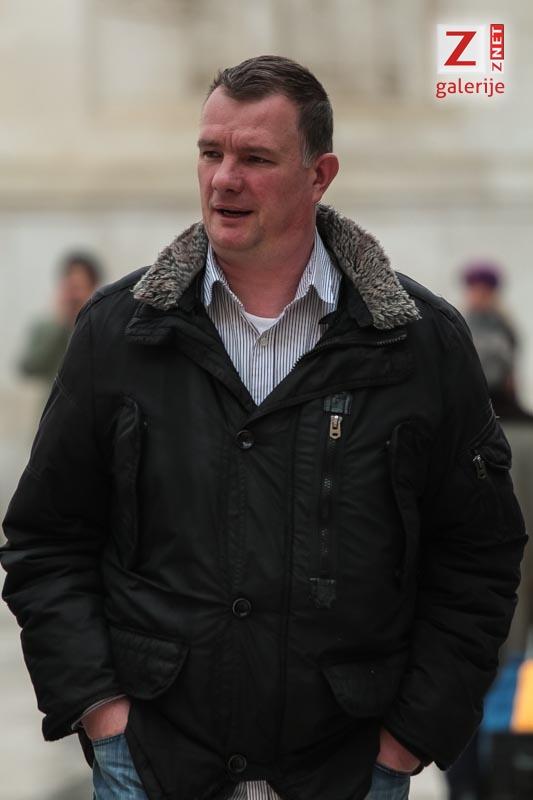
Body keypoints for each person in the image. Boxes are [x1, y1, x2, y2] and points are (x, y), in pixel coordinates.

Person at [0, 55, 526, 800]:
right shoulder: (118, 333)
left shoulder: (420, 344)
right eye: (210, 153)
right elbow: (47, 541)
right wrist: (103, 714)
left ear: (319, 175)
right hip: (153, 770)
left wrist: (407, 740)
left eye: (254, 158)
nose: (223, 179)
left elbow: (478, 556)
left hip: (348, 773)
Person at [18, 251, 103, 386]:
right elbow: (29, 367)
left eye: (79, 288)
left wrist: (85, 319)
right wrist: (61, 321)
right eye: (70, 287)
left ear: (94, 289)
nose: (74, 297)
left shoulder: (104, 328)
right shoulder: (45, 328)